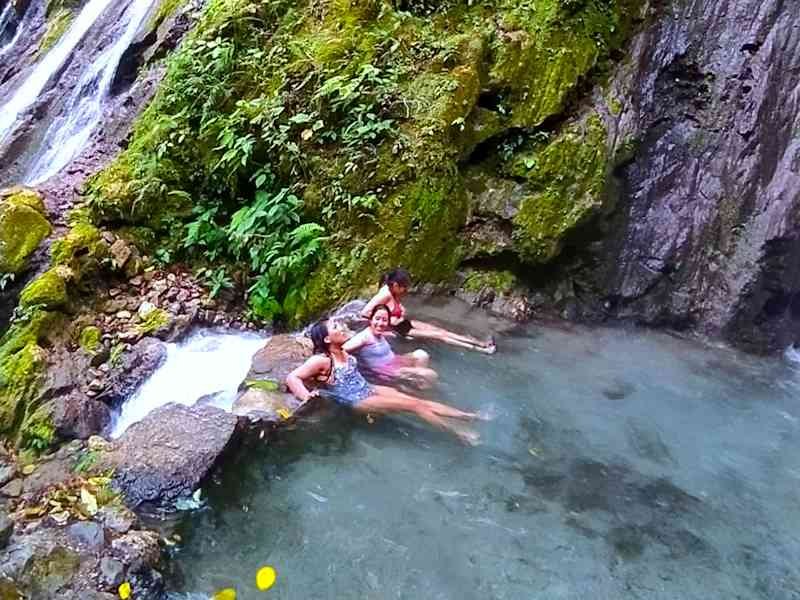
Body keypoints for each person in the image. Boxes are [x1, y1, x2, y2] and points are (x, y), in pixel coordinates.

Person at [286, 319, 480, 444]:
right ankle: (459, 434)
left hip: (368, 388)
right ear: (327, 339)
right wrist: (308, 397)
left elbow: (370, 337)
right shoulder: (321, 360)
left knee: (415, 399)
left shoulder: (343, 350)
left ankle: (466, 416)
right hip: (356, 400)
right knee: (414, 405)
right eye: (336, 327)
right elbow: (292, 377)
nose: (342, 327)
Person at [361, 268, 496, 354]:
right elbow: (365, 313)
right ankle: (479, 349)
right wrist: (386, 325)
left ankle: (478, 342)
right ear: (396, 285)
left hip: (405, 322)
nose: (406, 290)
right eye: (404, 287)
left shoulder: (392, 290)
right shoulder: (384, 294)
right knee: (439, 336)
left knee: (441, 331)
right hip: (398, 329)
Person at [343, 304, 438, 389]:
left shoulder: (379, 333)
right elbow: (342, 349)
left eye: (384, 320)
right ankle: (417, 388)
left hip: (394, 361)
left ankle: (415, 385)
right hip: (385, 371)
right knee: (430, 375)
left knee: (421, 354)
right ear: (371, 319)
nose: (380, 323)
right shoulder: (363, 337)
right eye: (377, 319)